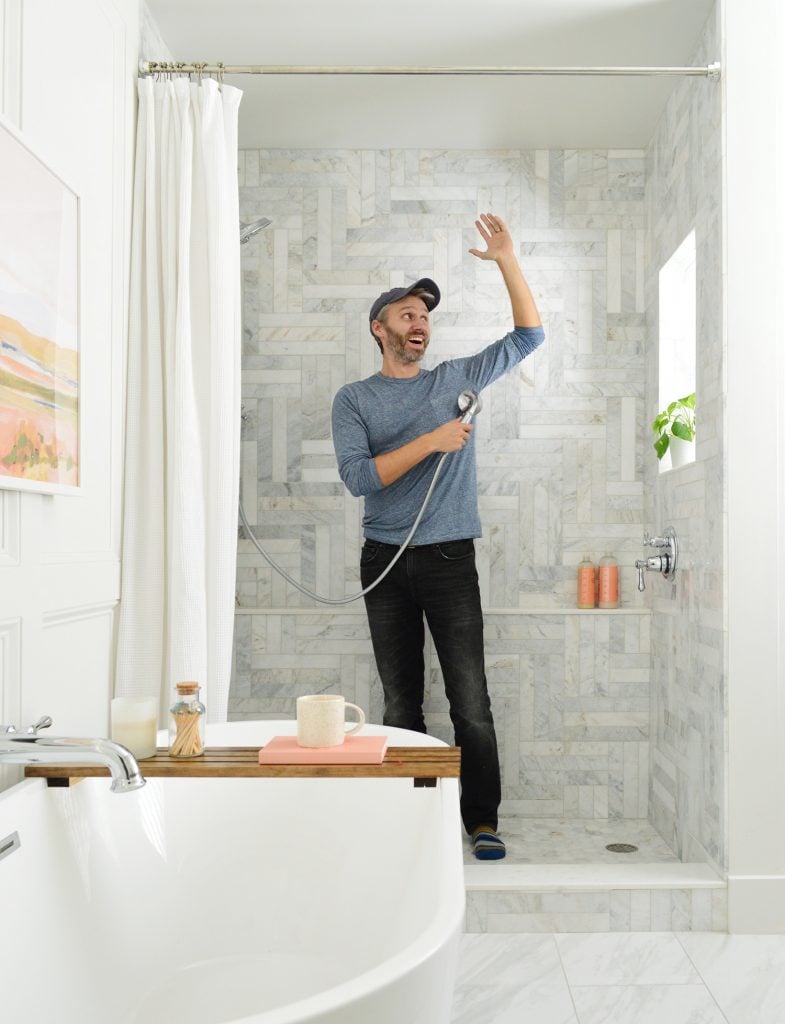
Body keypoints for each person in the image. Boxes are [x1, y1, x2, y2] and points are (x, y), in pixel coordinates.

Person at [331, 214, 544, 860]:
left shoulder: (456, 380)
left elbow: (529, 335)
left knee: (469, 700)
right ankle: (411, 818)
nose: (418, 323)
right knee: (400, 699)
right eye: (404, 314)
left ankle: (479, 820)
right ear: (379, 328)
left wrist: (507, 259)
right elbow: (359, 479)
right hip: (384, 564)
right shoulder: (354, 400)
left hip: (450, 558)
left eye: (423, 315)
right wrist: (431, 441)